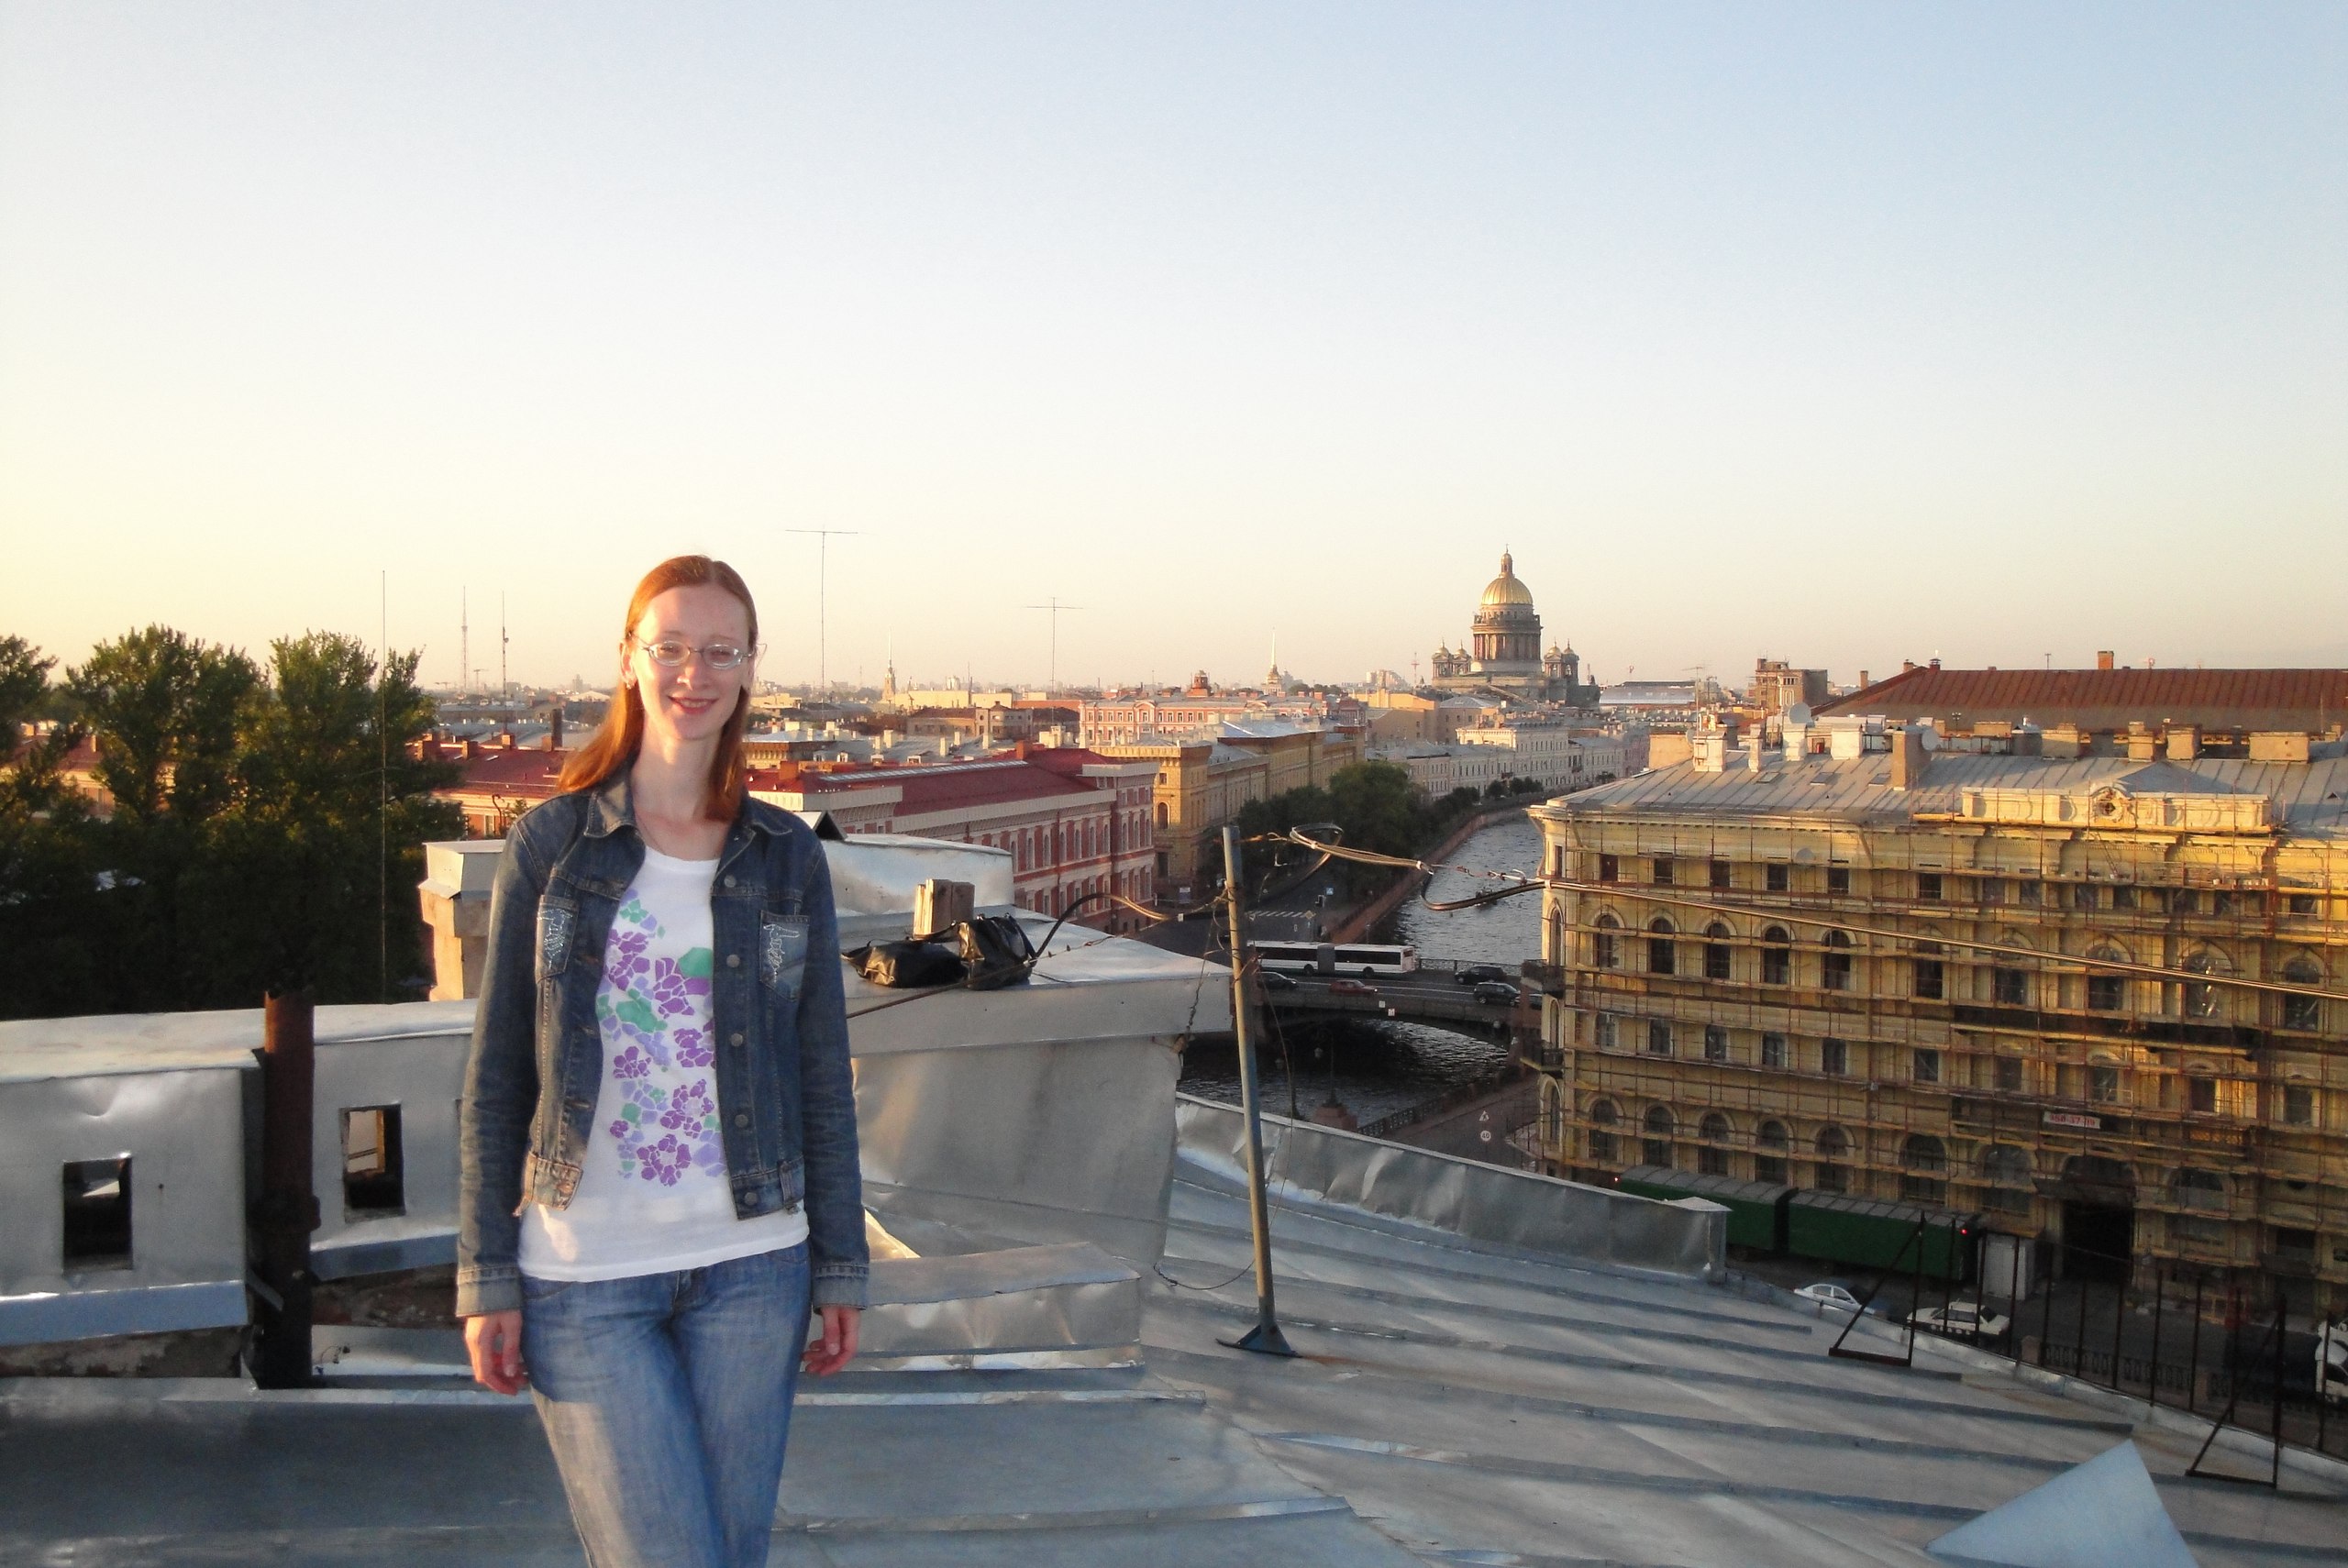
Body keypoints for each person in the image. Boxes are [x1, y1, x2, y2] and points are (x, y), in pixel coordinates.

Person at [458, 555, 867, 1568]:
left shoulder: (785, 854)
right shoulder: (554, 845)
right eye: (672, 647)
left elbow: (820, 1071)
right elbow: (500, 1072)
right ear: (629, 658)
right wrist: (485, 1276)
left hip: (754, 1268)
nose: (695, 673)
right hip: (586, 1276)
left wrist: (839, 1265)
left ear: (751, 666)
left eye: (721, 650)